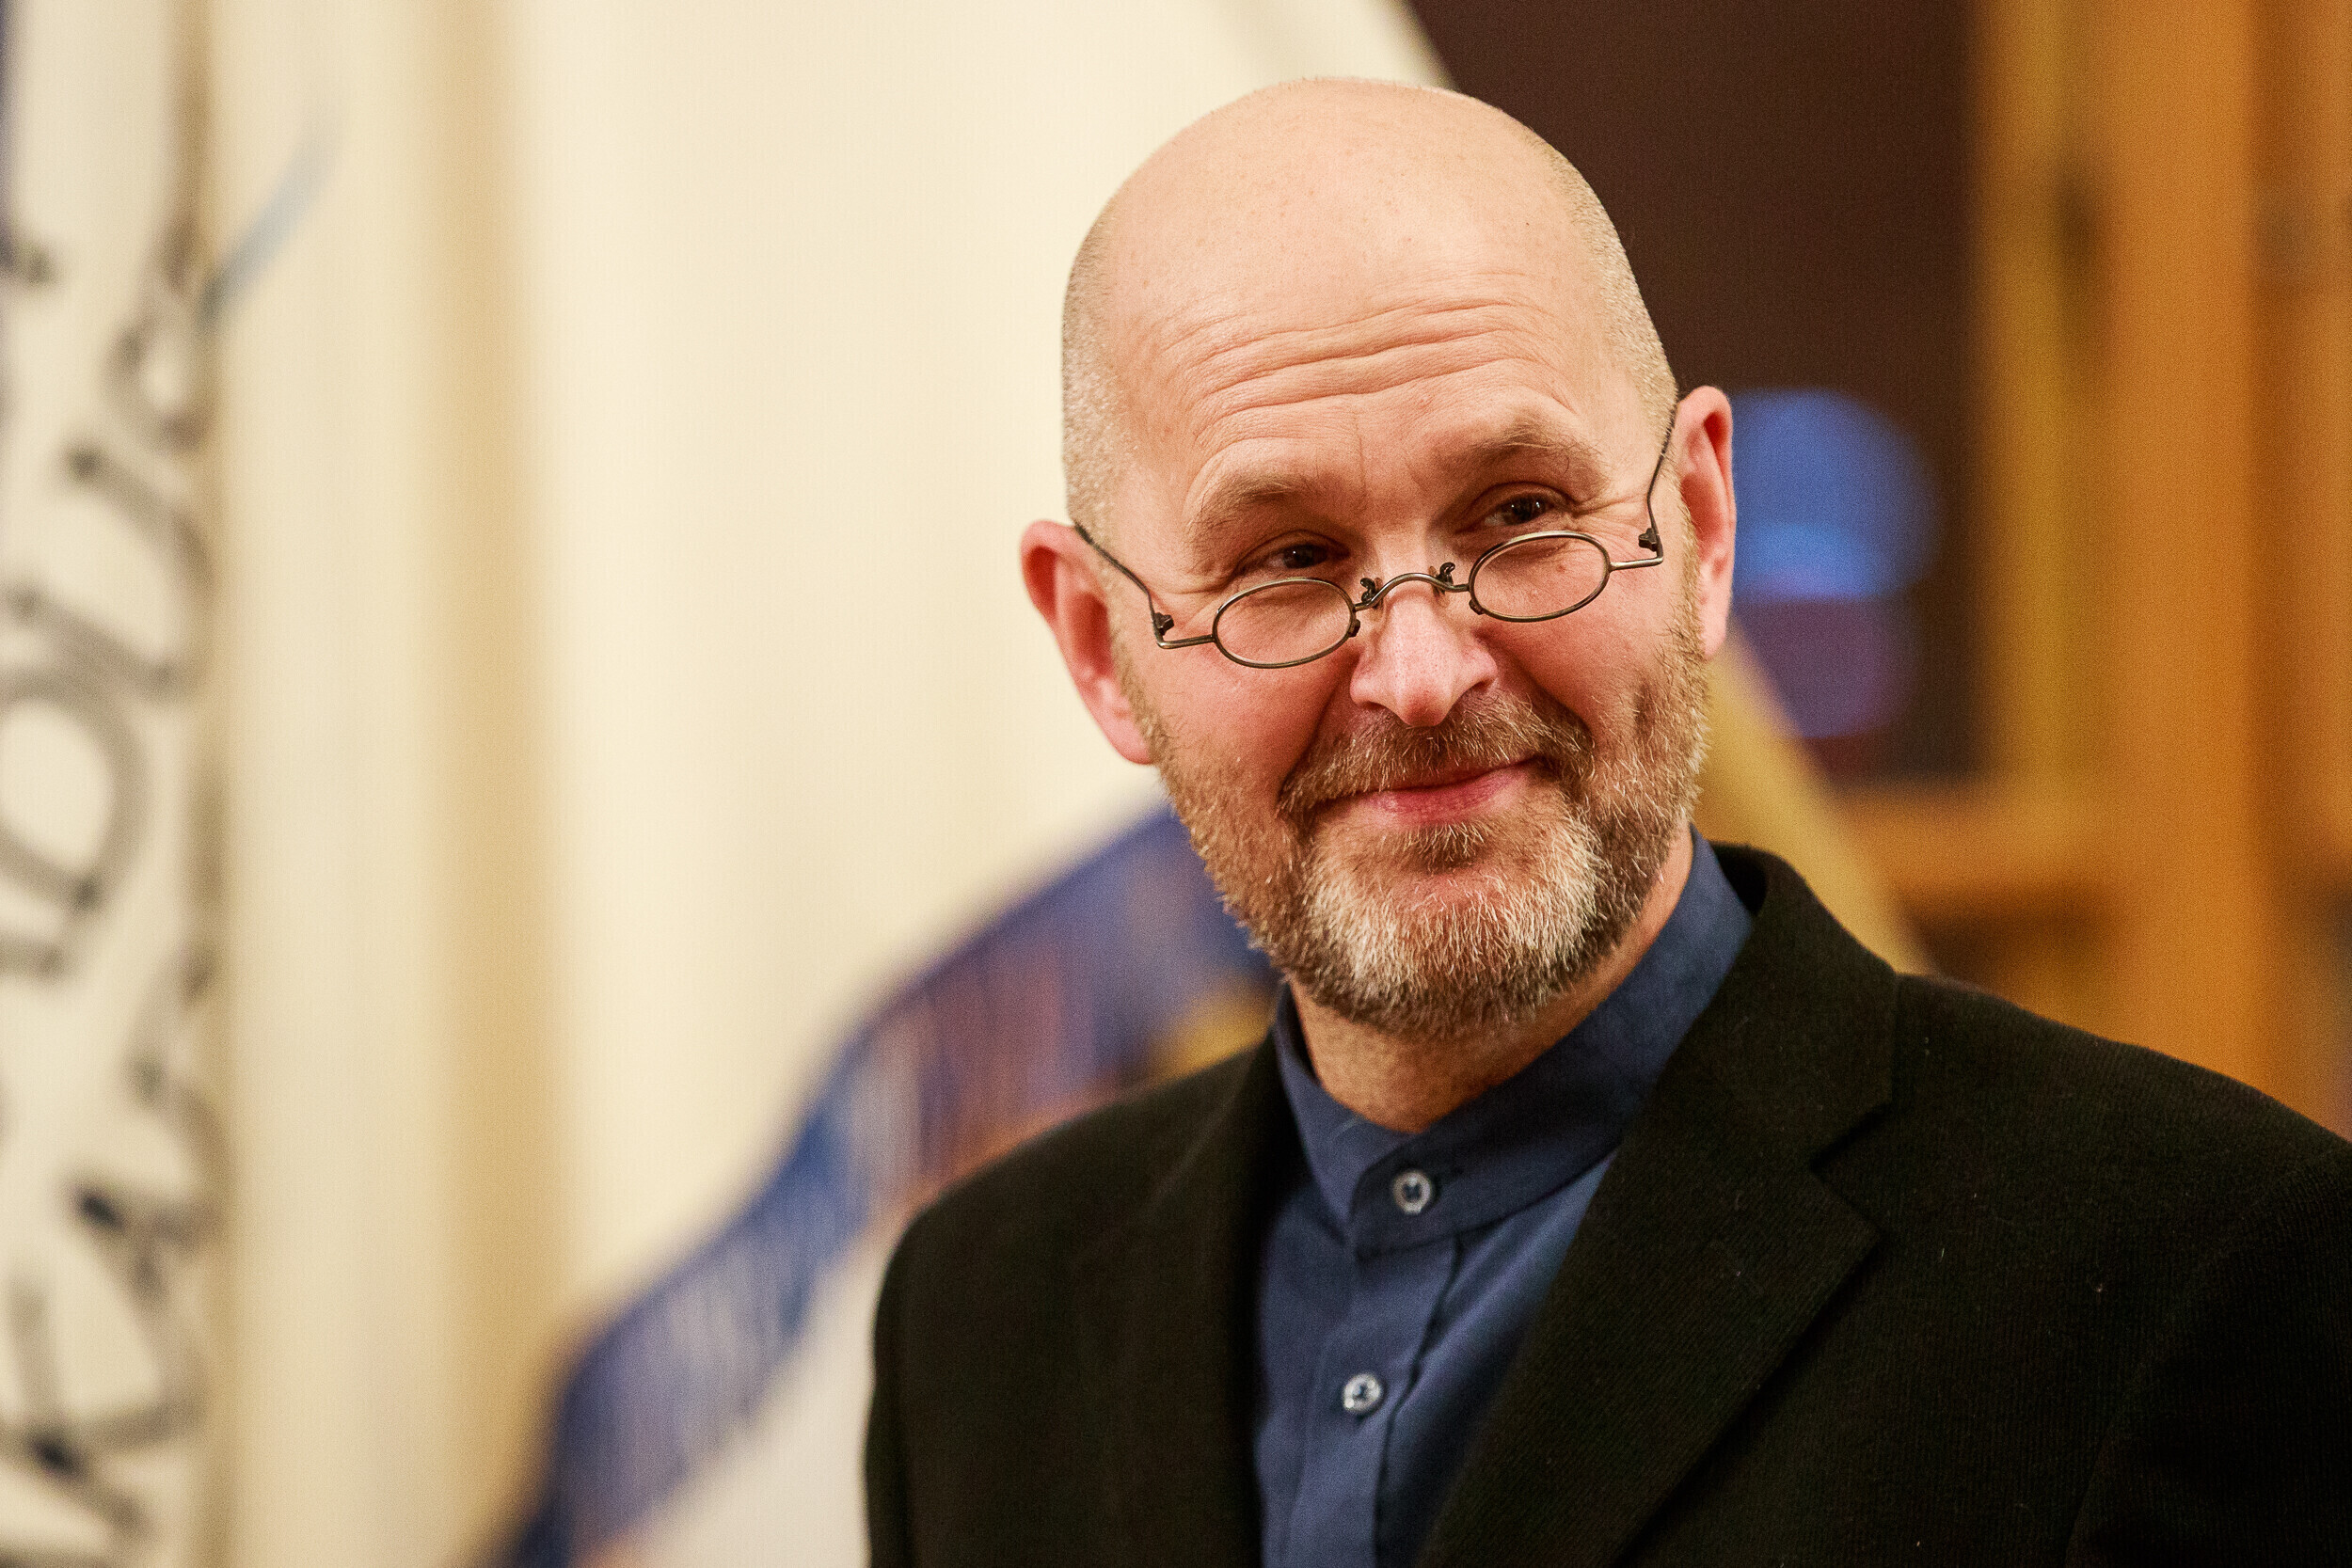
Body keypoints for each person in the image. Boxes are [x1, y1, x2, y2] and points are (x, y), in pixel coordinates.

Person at [863, 80, 2352, 1567]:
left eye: (1519, 516)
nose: (1424, 676)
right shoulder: (976, 1322)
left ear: (1701, 524)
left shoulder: (2192, 1278)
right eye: (1288, 562)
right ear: (1098, 645)